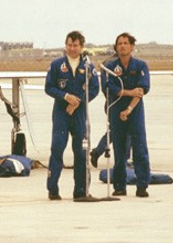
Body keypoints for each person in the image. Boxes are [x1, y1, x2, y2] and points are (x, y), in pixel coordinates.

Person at [43, 31, 99, 201]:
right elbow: (49, 87)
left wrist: (78, 102)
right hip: (61, 112)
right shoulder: (56, 65)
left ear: (82, 47)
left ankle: (80, 190)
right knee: (57, 148)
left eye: (75, 45)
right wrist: (66, 97)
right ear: (65, 45)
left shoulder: (89, 66)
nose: (72, 48)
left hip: (80, 114)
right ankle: (53, 189)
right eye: (69, 45)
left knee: (81, 152)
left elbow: (95, 88)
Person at [101, 32, 151, 197]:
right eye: (119, 43)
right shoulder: (109, 67)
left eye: (125, 43)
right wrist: (129, 92)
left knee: (140, 148)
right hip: (116, 110)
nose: (122, 46)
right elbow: (110, 89)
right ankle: (120, 186)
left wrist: (129, 109)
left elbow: (141, 90)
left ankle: (142, 185)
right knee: (120, 150)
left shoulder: (141, 66)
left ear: (132, 46)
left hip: (134, 111)